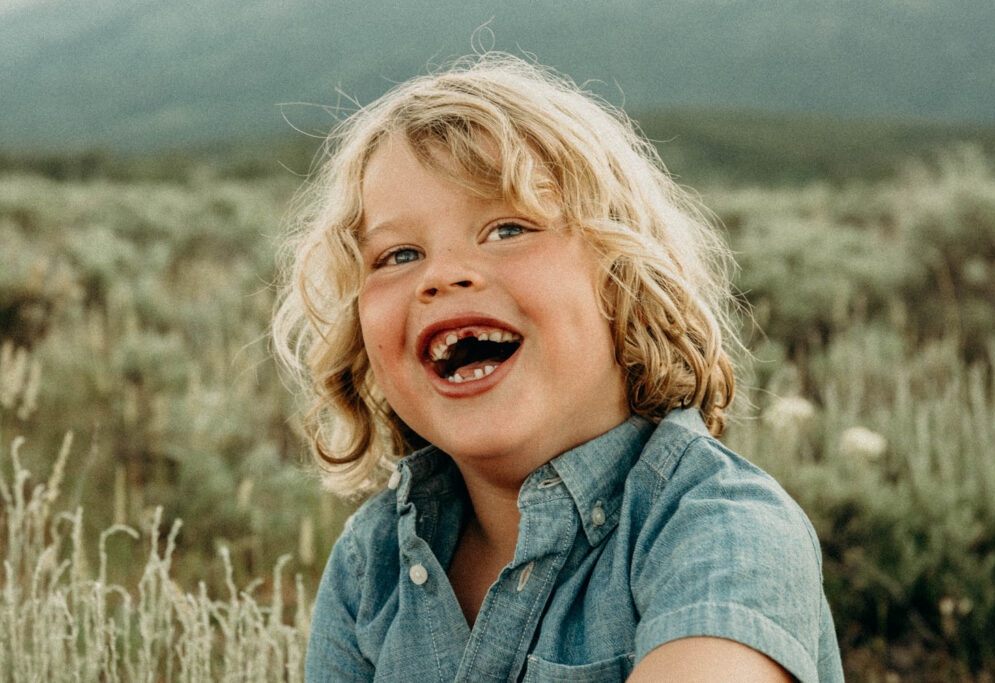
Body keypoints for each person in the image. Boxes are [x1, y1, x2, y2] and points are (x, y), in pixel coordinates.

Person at [273, 53, 844, 682]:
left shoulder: (720, 529)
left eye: (508, 228)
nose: (441, 275)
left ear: (624, 279)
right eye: (399, 253)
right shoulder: (371, 565)